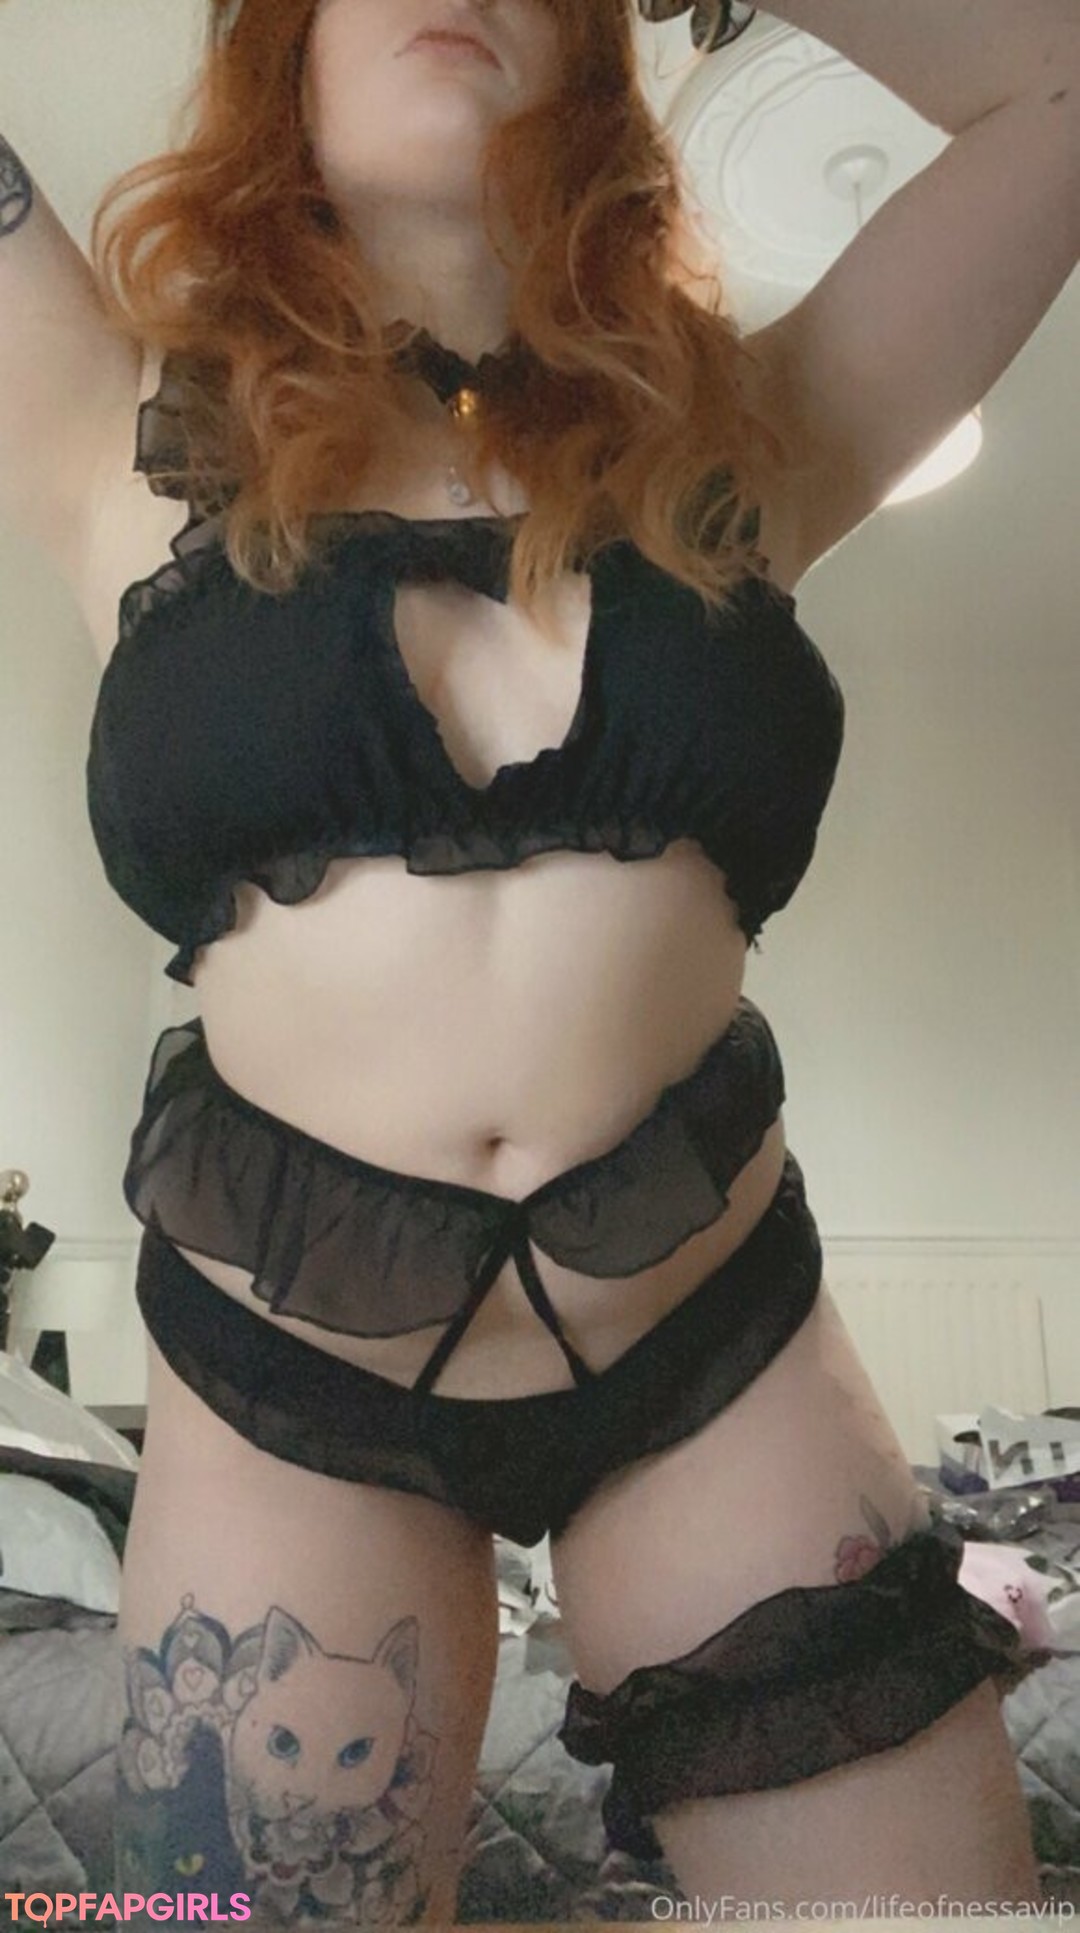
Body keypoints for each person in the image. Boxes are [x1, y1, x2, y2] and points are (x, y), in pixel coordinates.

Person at [2, 0, 1076, 1918]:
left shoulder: (753, 430)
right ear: (281, 53)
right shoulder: (117, 424)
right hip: (287, 1382)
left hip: (709, 1342)